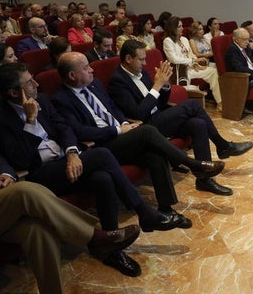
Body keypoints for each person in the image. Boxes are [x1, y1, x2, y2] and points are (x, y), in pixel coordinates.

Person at [0, 84, 140, 293]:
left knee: (38, 230)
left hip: (0, 198)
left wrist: (6, 174)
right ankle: (94, 237)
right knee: (24, 191)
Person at [0, 64, 185, 276]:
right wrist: (30, 120)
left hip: (66, 160)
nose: (36, 84)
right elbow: (23, 160)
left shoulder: (43, 100)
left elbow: (64, 128)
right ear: (14, 92)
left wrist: (72, 153)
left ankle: (111, 249)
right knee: (102, 155)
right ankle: (144, 212)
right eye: (29, 82)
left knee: (102, 178)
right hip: (40, 174)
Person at [51, 52, 226, 212]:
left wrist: (126, 123)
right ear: (72, 75)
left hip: (125, 132)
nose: (92, 70)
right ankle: (194, 164)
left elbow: (112, 108)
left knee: (156, 152)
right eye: (86, 67)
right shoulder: (61, 99)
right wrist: (119, 129)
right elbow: (80, 132)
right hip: (103, 145)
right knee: (148, 130)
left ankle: (167, 209)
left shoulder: (94, 84)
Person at [109, 40, 253, 195]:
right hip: (145, 128)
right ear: (128, 59)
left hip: (160, 116)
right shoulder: (118, 81)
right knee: (192, 104)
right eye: (141, 59)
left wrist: (164, 85)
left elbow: (160, 101)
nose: (145, 63)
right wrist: (157, 86)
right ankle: (223, 145)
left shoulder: (140, 72)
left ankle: (204, 181)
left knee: (197, 123)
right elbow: (139, 114)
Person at [163, 16, 222, 111]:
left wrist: (196, 63)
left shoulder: (184, 39)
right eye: (179, 27)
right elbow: (174, 59)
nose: (182, 28)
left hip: (191, 68)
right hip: (179, 72)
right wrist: (193, 61)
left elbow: (191, 54)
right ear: (172, 28)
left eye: (182, 26)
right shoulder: (167, 41)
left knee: (213, 71)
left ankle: (220, 102)